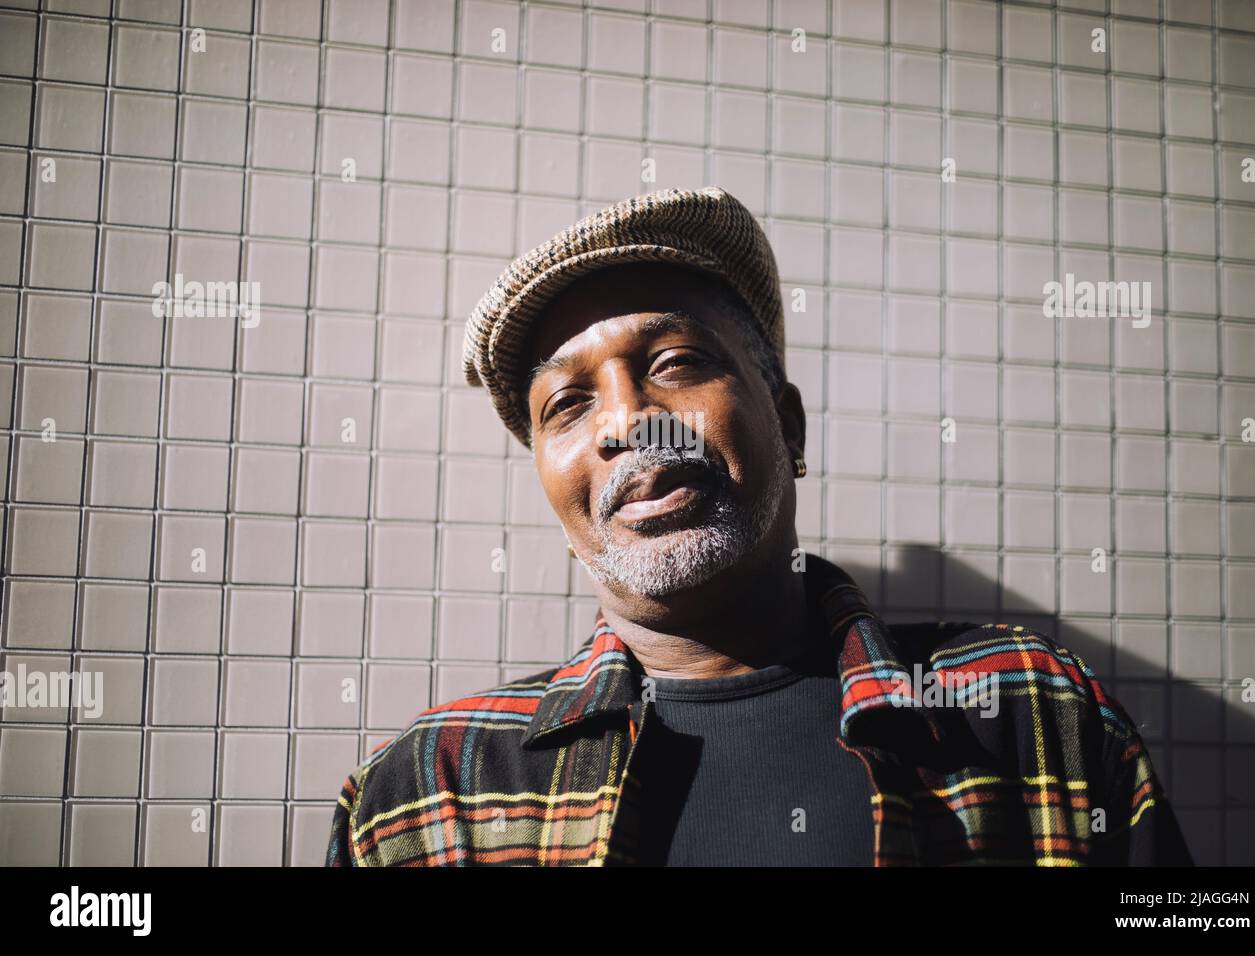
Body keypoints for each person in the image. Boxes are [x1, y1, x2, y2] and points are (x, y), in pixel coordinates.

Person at [326, 185, 1193, 867]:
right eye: (567, 403)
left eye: (676, 363)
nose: (626, 421)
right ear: (556, 496)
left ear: (791, 427)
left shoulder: (1029, 713)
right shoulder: (428, 796)